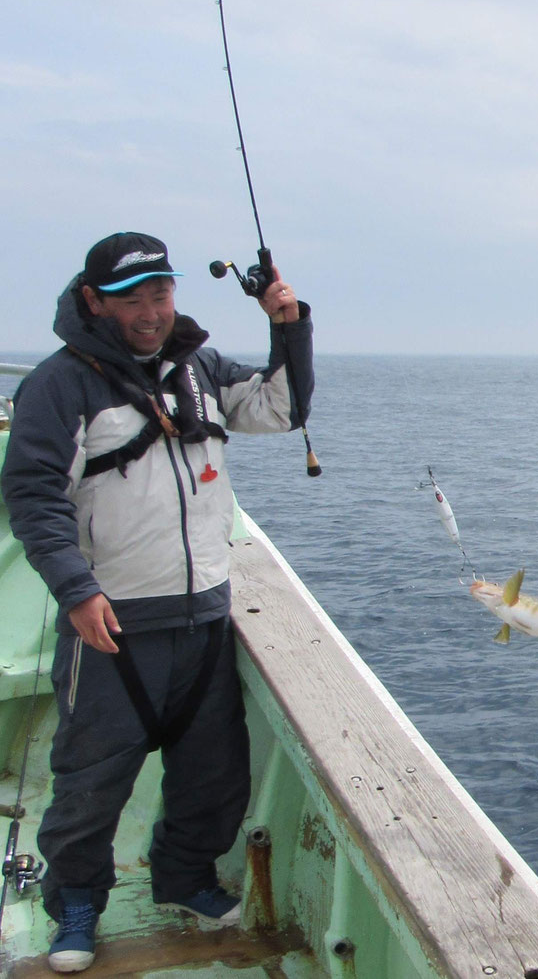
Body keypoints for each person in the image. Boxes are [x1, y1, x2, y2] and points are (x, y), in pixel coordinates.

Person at [0, 232, 315, 974]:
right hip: (113, 623)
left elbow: (284, 408)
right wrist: (76, 589)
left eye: (161, 293)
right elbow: (34, 494)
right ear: (94, 302)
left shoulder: (198, 368)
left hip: (204, 614)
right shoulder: (58, 385)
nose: (150, 311)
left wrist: (288, 323)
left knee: (214, 773)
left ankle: (185, 879)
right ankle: (76, 906)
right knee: (90, 779)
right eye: (132, 297)